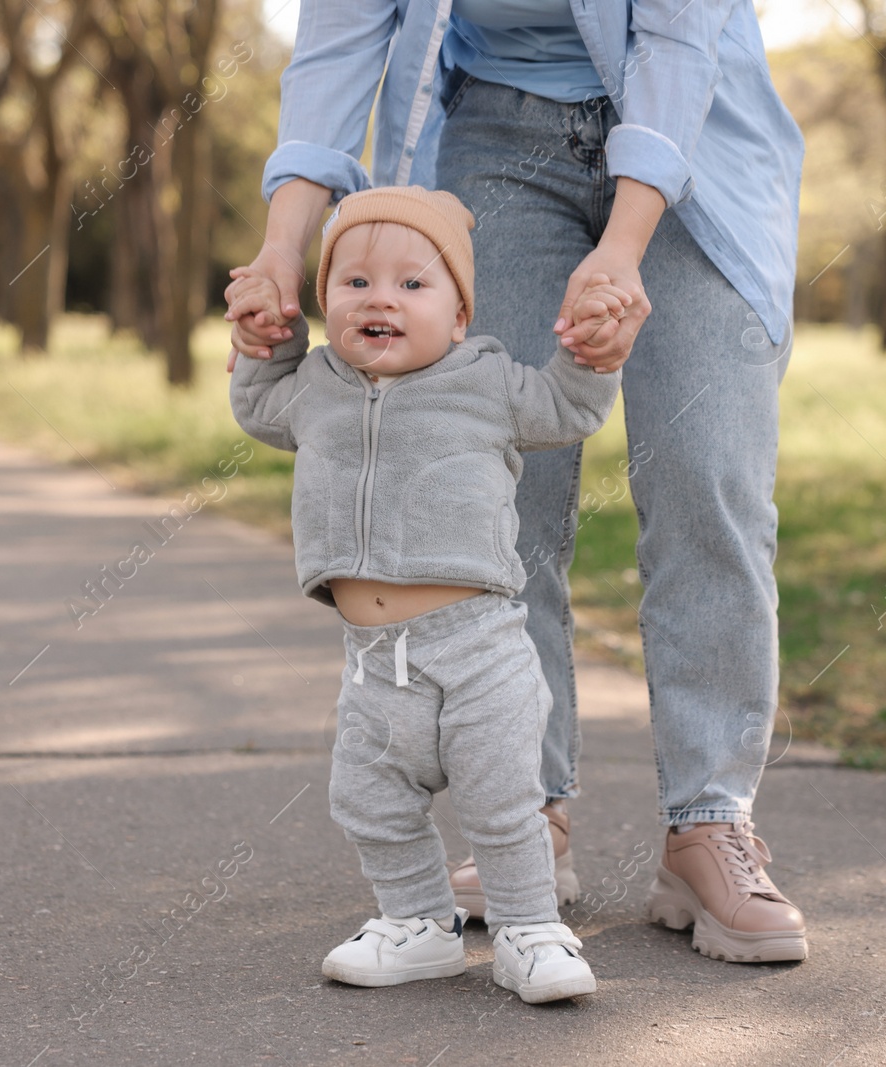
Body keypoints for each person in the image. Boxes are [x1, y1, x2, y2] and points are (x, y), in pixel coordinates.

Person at [227, 0, 809, 964]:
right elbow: (339, 44)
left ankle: (709, 823)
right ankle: (523, 811)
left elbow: (674, 39)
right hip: (496, 132)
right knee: (500, 493)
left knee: (711, 477)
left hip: (695, 128)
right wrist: (285, 241)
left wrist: (619, 252)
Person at [228, 185, 633, 1003]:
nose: (381, 297)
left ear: (457, 315)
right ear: (327, 302)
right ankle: (418, 922)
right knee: (368, 799)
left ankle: (527, 929)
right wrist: (263, 343)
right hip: (375, 662)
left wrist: (593, 353)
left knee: (501, 800)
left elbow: (567, 406)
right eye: (355, 283)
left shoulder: (485, 380)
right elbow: (258, 407)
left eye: (414, 284)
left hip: (478, 646)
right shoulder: (314, 383)